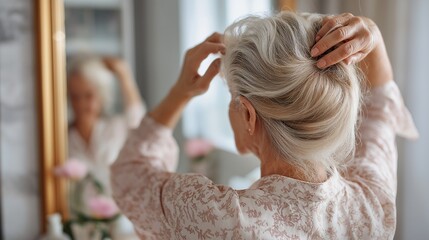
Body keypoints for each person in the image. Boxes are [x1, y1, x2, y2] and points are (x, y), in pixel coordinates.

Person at [111, 12, 418, 239]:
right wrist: (372, 36)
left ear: (247, 114)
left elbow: (129, 176)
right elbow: (380, 109)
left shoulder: (215, 219)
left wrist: (180, 93)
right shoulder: (371, 206)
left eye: (231, 98)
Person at [67, 57, 145, 202]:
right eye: (74, 96)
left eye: (88, 95)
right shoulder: (63, 138)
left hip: (117, 217)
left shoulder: (115, 128)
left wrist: (123, 73)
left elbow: (138, 119)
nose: (80, 104)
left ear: (101, 96)